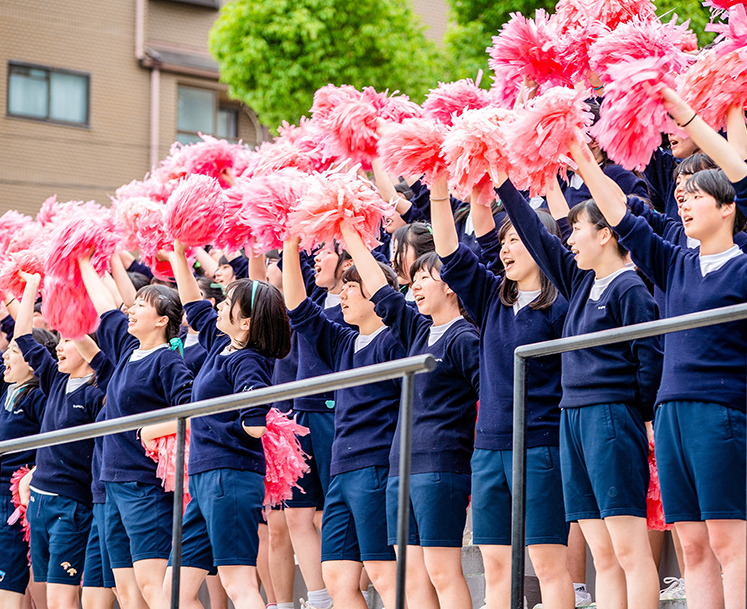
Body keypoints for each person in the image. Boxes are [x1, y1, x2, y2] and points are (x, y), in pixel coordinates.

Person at [579, 87, 747, 609]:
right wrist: (585, 163)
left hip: (722, 410)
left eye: (698, 195)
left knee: (727, 540)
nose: (684, 200)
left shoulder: (744, 261)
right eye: (682, 195)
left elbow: (741, 171)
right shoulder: (675, 263)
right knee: (692, 545)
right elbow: (621, 217)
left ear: (728, 208)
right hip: (671, 411)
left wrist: (689, 116)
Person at [495, 170, 663, 609]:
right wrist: (503, 184)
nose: (568, 240)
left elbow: (650, 360)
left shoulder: (629, 287)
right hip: (573, 417)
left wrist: (641, 414)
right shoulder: (582, 281)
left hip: (610, 416)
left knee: (629, 550)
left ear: (606, 234)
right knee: (602, 555)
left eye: (577, 232)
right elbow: (538, 237)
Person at [429, 173, 575, 609]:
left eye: (516, 239)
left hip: (539, 446)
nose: (506, 248)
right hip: (489, 447)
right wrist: (440, 186)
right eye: (503, 241)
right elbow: (450, 254)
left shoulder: (562, 304)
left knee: (548, 564)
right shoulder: (493, 297)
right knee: (495, 564)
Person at [145, 239, 290, 609]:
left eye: (228, 304)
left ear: (245, 321)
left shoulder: (248, 361)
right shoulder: (220, 344)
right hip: (206, 477)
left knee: (237, 582)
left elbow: (256, 423)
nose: (219, 306)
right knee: (175, 588)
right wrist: (179, 255)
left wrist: (221, 420)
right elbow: (195, 303)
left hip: (231, 477)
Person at [341, 224, 479, 609]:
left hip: (440, 466)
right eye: (413, 279)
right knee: (412, 577)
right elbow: (382, 291)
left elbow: (490, 393)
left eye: (425, 279)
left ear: (450, 285)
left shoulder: (465, 337)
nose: (415, 286)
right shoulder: (419, 331)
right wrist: (347, 229)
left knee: (442, 572)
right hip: (401, 468)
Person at [283, 236, 405, 609]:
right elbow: (299, 309)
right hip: (342, 470)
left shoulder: (395, 340)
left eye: (355, 286)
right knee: (336, 576)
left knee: (384, 574)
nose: (346, 295)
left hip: (375, 468)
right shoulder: (343, 342)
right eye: (345, 286)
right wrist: (289, 244)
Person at [78, 255, 193, 609]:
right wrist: (84, 258)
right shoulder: (128, 350)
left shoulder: (167, 360)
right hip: (112, 483)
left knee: (152, 586)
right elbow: (104, 307)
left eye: (141, 305)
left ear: (161, 320)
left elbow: (191, 412)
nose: (131, 310)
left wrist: (148, 431)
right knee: (127, 593)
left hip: (143, 485)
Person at [14, 272, 109, 609]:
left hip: (72, 505)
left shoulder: (100, 389)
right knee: (46, 596)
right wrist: (31, 286)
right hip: (39, 502)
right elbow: (23, 337)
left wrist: (73, 311)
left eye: (67, 340)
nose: (59, 346)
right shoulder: (55, 378)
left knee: (61, 599)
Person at [0, 295, 47, 609]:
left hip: (13, 497)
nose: (6, 355)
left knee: (10, 581)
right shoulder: (7, 389)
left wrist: (21, 293)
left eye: (15, 352)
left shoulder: (38, 398)